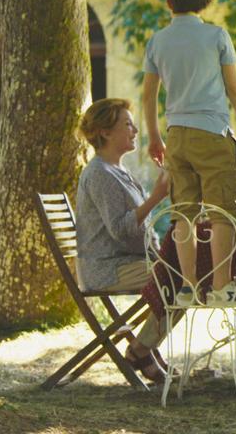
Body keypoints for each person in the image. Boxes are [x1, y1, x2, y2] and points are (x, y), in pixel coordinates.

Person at [141, 0, 236, 307]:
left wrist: (154, 137)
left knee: (183, 212)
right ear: (205, 0)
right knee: (223, 211)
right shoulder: (217, 36)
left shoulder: (158, 41)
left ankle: (188, 287)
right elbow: (234, 87)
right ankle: (222, 286)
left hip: (176, 134)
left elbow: (148, 95)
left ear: (168, 1)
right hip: (212, 131)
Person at [75, 98, 172, 383]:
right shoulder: (100, 174)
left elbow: (140, 225)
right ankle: (141, 351)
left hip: (130, 261)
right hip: (108, 268)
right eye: (127, 124)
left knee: (183, 274)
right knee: (179, 280)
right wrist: (156, 196)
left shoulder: (119, 171)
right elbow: (120, 229)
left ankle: (145, 350)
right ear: (105, 132)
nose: (135, 130)